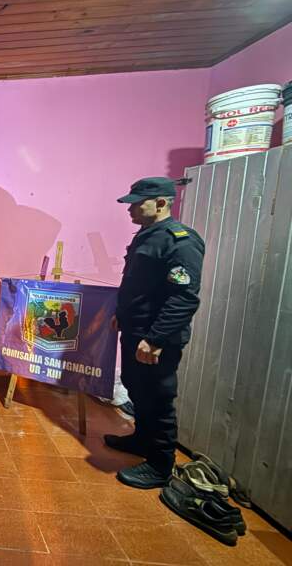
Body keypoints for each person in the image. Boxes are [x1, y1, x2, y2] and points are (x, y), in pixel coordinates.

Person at [107, 177, 205, 489]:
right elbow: (138, 285)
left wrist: (156, 338)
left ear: (161, 203)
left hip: (155, 339)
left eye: (137, 203)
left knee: (158, 399)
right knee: (136, 389)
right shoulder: (147, 235)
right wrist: (122, 315)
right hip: (136, 330)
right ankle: (141, 441)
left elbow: (184, 298)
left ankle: (161, 465)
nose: (130, 209)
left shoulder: (180, 241)